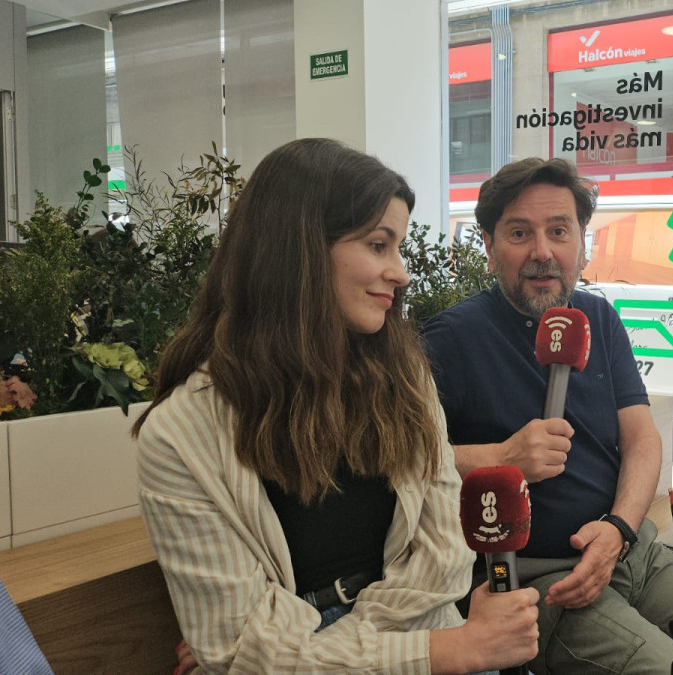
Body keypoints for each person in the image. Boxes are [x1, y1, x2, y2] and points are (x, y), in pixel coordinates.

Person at [133, 138, 538, 673]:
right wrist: (445, 651)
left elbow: (445, 555)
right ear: (297, 250)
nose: (401, 272)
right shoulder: (180, 434)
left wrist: (331, 652)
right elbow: (240, 650)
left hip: (413, 633)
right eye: (378, 245)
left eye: (398, 248)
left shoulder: (406, 377)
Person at [422, 157, 673, 674]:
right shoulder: (450, 339)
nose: (542, 252)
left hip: (631, 550)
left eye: (559, 231)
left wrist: (620, 528)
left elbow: (642, 439)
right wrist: (500, 455)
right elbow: (403, 464)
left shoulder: (598, 318)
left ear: (581, 244)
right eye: (519, 233)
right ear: (489, 249)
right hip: (537, 578)